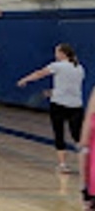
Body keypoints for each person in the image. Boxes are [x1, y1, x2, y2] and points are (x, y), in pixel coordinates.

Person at [17, 43, 86, 172]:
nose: (55, 54)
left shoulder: (57, 66)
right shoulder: (79, 68)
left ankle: (62, 165)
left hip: (59, 105)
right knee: (78, 136)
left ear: (62, 53)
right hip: (76, 105)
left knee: (59, 134)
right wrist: (52, 92)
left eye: (56, 51)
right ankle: (86, 164)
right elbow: (70, 88)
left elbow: (39, 73)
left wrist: (25, 79)